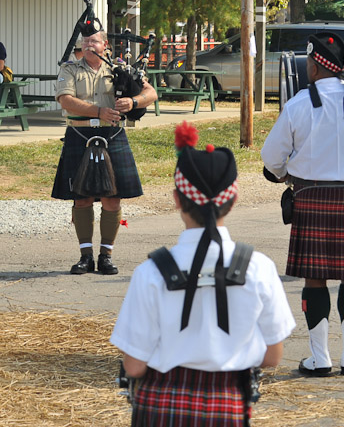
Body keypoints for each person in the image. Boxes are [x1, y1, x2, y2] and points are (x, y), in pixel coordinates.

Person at [111, 123, 295, 425]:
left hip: (160, 408)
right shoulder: (259, 267)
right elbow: (272, 357)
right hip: (228, 406)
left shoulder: (150, 273)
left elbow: (134, 367)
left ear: (177, 199)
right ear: (233, 200)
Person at [261, 31, 344, 377]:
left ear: (315, 66)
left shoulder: (299, 104)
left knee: (314, 278)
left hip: (311, 197)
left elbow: (271, 158)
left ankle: (320, 358)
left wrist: (283, 174)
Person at [51, 28, 157, 275]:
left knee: (112, 198)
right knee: (82, 197)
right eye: (85, 41)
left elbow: (150, 93)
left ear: (105, 44)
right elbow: (65, 100)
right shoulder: (70, 69)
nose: (88, 44)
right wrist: (99, 111)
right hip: (80, 134)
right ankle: (85, 256)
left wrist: (133, 102)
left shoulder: (119, 69)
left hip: (113, 135)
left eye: (94, 41)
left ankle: (106, 256)